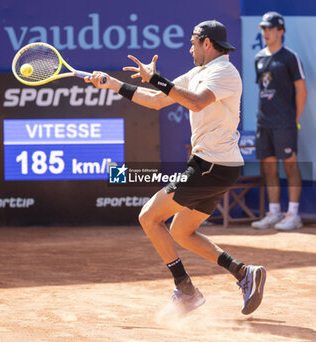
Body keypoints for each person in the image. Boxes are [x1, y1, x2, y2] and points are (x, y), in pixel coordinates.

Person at [85, 20, 266, 315]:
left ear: (207, 43)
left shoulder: (225, 72)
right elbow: (158, 100)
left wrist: (158, 79)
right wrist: (113, 83)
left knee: (149, 217)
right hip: (216, 167)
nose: (189, 47)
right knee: (182, 232)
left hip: (211, 166)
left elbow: (196, 103)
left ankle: (185, 290)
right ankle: (244, 273)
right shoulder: (197, 73)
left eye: (193, 42)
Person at [251, 12, 308, 231]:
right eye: (263, 29)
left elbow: (301, 89)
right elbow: (263, 89)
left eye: (269, 28)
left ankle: (293, 214)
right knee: (269, 167)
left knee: (290, 166)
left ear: (280, 31)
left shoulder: (289, 57)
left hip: (285, 122)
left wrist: (294, 119)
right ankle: (274, 212)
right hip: (263, 122)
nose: (265, 32)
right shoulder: (259, 58)